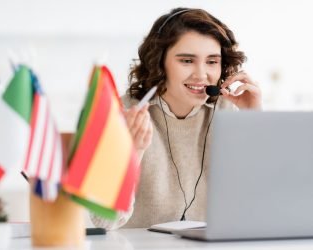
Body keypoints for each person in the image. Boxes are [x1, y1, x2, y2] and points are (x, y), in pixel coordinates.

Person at [91, 7, 262, 229]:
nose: (201, 74)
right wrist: (131, 153)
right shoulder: (122, 113)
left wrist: (254, 121)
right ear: (159, 63)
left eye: (212, 61)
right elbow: (103, 222)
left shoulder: (226, 110)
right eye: (187, 61)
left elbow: (257, 207)